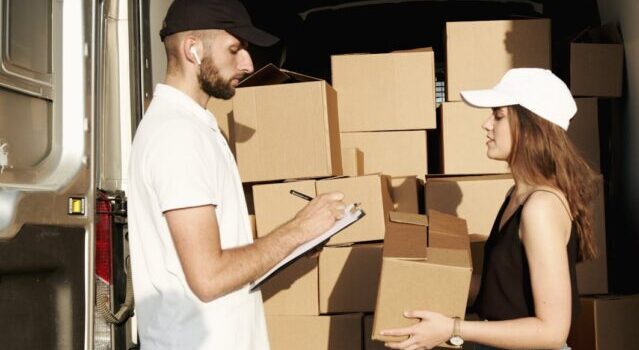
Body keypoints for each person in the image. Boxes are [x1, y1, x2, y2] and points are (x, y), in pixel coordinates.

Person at [127, 1, 347, 349]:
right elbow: (209, 277)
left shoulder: (193, 126)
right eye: (235, 48)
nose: (247, 63)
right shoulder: (177, 136)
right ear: (193, 49)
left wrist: (290, 246)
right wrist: (298, 229)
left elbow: (218, 253)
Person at [380, 68, 599, 350]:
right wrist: (423, 283)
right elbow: (506, 288)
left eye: (498, 115)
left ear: (530, 125)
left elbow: (553, 331)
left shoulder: (540, 208)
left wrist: (453, 328)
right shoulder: (517, 196)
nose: (486, 124)